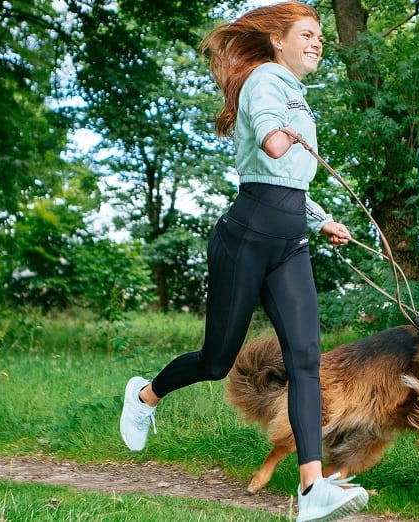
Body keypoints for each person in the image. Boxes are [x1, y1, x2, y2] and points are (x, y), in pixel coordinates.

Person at [119, 3, 368, 521]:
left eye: (320, 36)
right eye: (307, 33)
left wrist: (320, 218)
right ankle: (145, 396)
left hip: (290, 241)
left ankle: (311, 491)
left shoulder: (297, 94)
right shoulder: (265, 80)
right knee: (215, 360)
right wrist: (277, 136)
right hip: (245, 238)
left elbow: (291, 178)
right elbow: (270, 140)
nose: (318, 42)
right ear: (278, 41)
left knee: (305, 361)